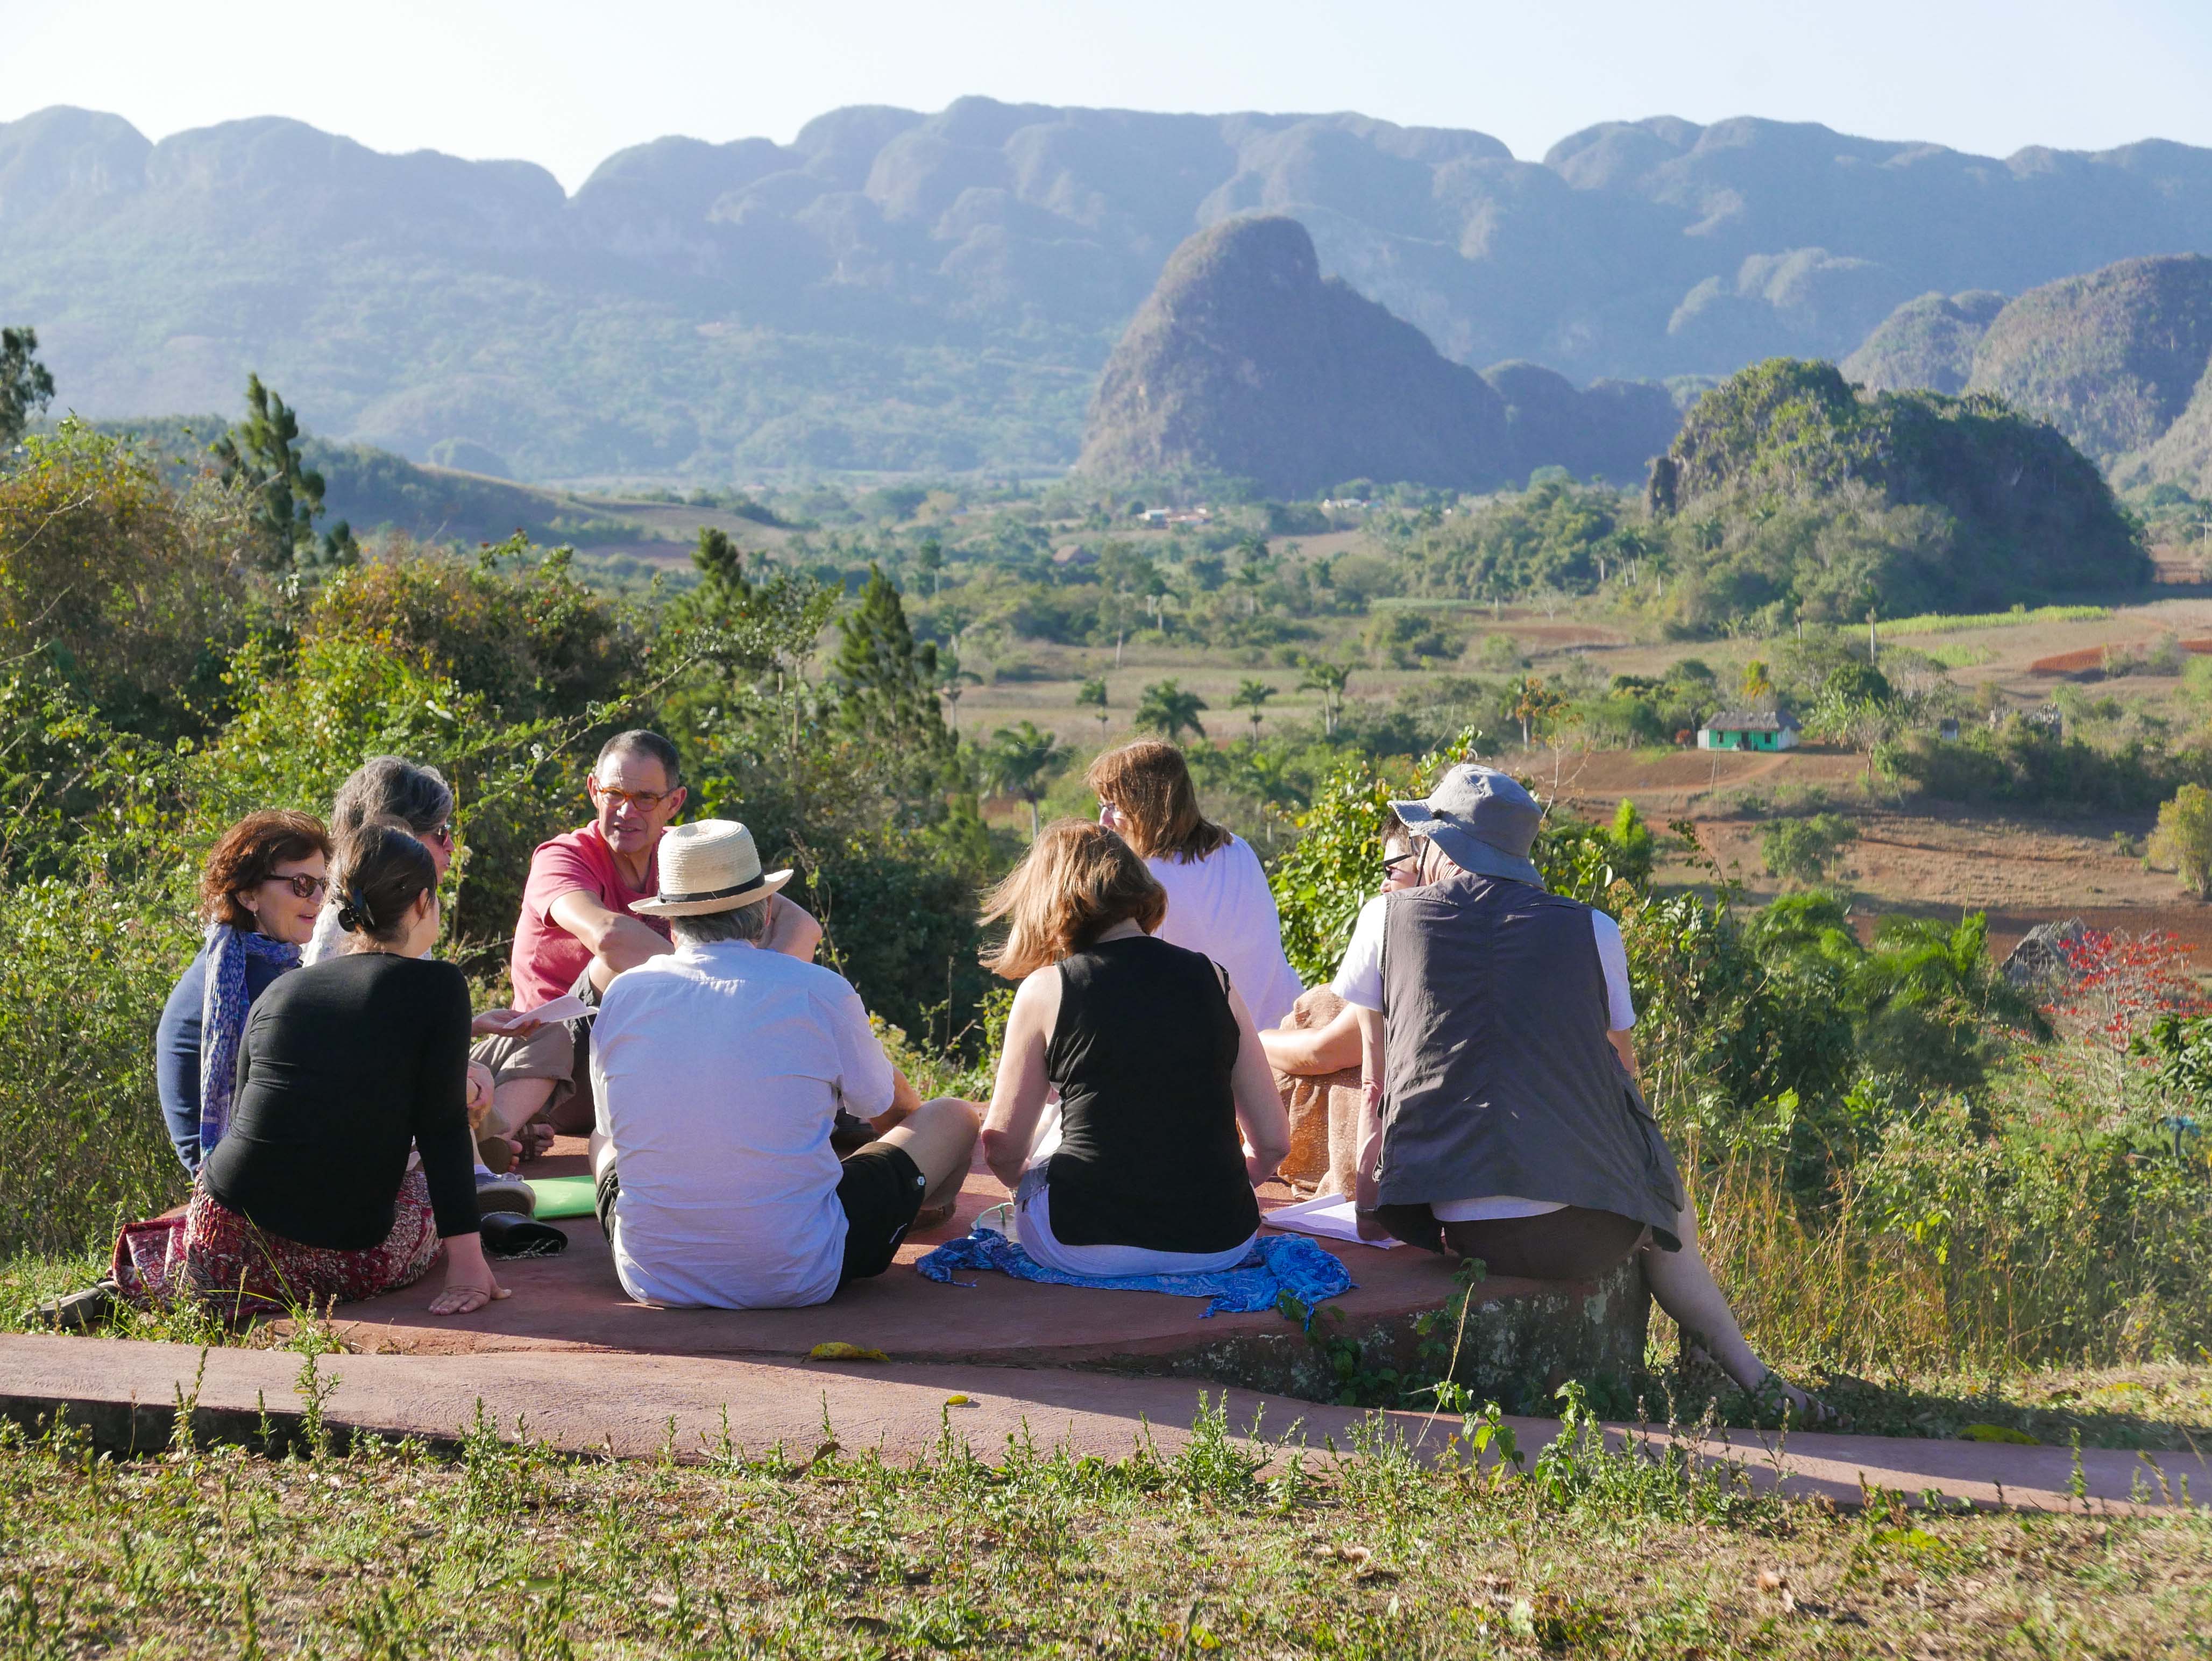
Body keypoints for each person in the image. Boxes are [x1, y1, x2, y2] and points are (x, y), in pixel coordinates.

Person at [1337, 763, 1821, 1418]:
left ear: (1436, 844)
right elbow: (1621, 1076)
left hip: (1455, 1222)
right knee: (1661, 1184)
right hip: (1589, 1231)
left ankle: (1721, 1363)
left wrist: (1373, 1200)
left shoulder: (1383, 918)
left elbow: (1375, 1085)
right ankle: (1743, 1371)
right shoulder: (1592, 927)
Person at [588, 820, 979, 1309]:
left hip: (652, 1277)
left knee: (602, 1138)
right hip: (800, 1273)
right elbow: (892, 1110)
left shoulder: (624, 994)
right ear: (767, 908)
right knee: (953, 1116)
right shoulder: (817, 989)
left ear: (670, 918)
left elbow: (614, 1128)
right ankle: (910, 1208)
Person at [182, 822, 506, 1316]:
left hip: (221, 1243)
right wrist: (468, 1266)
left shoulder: (285, 988)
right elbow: (443, 1129)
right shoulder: (438, 986)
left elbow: (247, 1114)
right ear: (423, 903)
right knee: (418, 1185)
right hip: (343, 1255)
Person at [977, 820, 1291, 1277]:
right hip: (1221, 1241)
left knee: (1052, 1122)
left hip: (1080, 1243)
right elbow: (1274, 1142)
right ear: (1136, 887)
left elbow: (1001, 1146)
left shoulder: (1046, 989)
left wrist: (1021, 1190)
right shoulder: (1215, 978)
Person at [511, 730, 823, 1134]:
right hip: (560, 1068)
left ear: (674, 803)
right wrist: (724, 996)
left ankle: (853, 1119)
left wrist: (752, 998)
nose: (626, 811)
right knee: (611, 966)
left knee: (778, 978)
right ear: (593, 791)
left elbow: (801, 925)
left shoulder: (688, 854)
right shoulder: (563, 858)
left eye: (646, 798)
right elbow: (608, 935)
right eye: (614, 794)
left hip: (660, 1054)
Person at [304, 755, 562, 1180]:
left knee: (550, 1035)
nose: (450, 847)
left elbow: (401, 1017)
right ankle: (480, 1157)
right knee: (457, 1077)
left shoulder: (406, 908)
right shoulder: (346, 917)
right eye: (440, 834)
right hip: (367, 1102)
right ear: (396, 834)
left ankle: (490, 1135)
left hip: (400, 1082)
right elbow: (356, 1040)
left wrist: (474, 1026)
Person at [154, 811, 332, 1174]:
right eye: (301, 884)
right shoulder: (257, 980)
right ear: (249, 895)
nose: (318, 898)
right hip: (239, 1186)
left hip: (236, 1174)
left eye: (322, 884)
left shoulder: (234, 960)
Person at [1088, 740, 1304, 1031]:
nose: (1103, 821)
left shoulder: (1146, 879)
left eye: (1114, 807)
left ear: (1146, 804)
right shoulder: (1237, 847)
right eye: (1102, 806)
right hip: (1283, 1027)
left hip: (1220, 1052)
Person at [1259, 812, 1423, 1195]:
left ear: (1429, 863)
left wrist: (1251, 1038)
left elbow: (1326, 1053)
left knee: (1321, 1011)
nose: (1383, 887)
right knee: (1324, 1003)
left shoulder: (1401, 933)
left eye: (1391, 871)